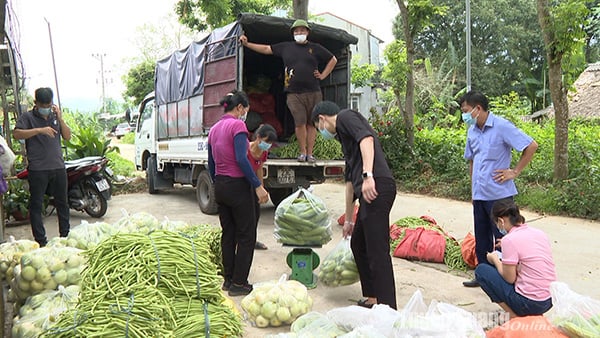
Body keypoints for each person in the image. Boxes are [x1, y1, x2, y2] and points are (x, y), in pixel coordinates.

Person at [311, 101, 397, 309]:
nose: (322, 132)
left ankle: (388, 309)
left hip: (377, 187)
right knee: (358, 244)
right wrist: (349, 219)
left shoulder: (346, 117)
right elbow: (350, 183)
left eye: (318, 128)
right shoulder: (344, 139)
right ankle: (373, 296)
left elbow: (366, 139)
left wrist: (368, 175)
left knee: (377, 251)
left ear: (322, 119)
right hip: (368, 192)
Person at [460, 90, 538, 287]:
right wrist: (473, 189)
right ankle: (484, 276)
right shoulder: (472, 131)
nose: (464, 116)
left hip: (500, 197)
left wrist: (515, 171)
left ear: (478, 109)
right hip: (480, 195)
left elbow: (531, 145)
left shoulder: (501, 126)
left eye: (466, 111)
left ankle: (506, 279)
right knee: (482, 237)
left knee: (504, 239)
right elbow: (472, 160)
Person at [240, 19, 337, 163]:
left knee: (312, 124)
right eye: (297, 31)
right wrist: (247, 44)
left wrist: (323, 75)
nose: (300, 33)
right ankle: (302, 152)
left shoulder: (315, 48)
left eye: (302, 31)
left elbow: (333, 59)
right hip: (293, 93)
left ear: (307, 32)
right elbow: (267, 49)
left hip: (314, 92)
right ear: (293, 33)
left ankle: (310, 154)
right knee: (300, 123)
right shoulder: (286, 47)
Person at [207, 90, 270, 297]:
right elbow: (242, 159)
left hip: (221, 186)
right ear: (240, 108)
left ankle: (228, 280)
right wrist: (257, 185)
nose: (246, 114)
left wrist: (218, 183)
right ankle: (240, 283)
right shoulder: (238, 125)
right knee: (246, 235)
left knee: (229, 234)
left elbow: (211, 162)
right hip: (237, 185)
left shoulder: (214, 129)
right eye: (246, 109)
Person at [475, 199, 556, 318]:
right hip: (549, 299)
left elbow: (510, 278)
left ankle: (513, 316)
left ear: (501, 221)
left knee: (482, 271)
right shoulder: (539, 233)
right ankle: (535, 314)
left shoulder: (509, 240)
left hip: (530, 302)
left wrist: (495, 259)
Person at [13, 87, 72, 247]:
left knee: (62, 203)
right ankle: (41, 241)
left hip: (58, 167)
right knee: (37, 205)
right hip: (38, 170)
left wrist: (60, 119)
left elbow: (67, 136)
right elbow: (17, 134)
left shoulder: (54, 116)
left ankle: (65, 237)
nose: (46, 107)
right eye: (43, 104)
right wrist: (39, 130)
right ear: (36, 103)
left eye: (49, 104)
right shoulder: (27, 117)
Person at [247, 124, 278, 250]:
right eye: (267, 141)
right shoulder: (245, 148)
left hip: (254, 184)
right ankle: (242, 241)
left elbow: (259, 169)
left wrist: (261, 188)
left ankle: (252, 241)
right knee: (244, 215)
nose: (268, 145)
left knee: (256, 213)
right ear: (258, 137)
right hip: (242, 183)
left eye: (270, 143)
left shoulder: (263, 152)